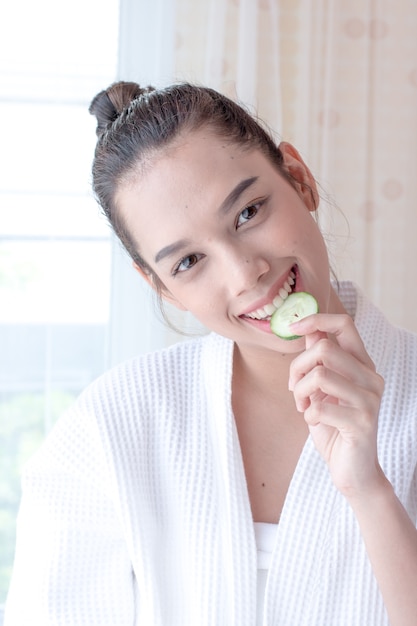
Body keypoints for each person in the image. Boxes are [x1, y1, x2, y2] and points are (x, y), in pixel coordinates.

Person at [4, 81, 417, 626]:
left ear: (299, 179)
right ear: (159, 286)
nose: (246, 274)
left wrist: (369, 491)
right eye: (188, 262)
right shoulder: (108, 429)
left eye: (248, 213)